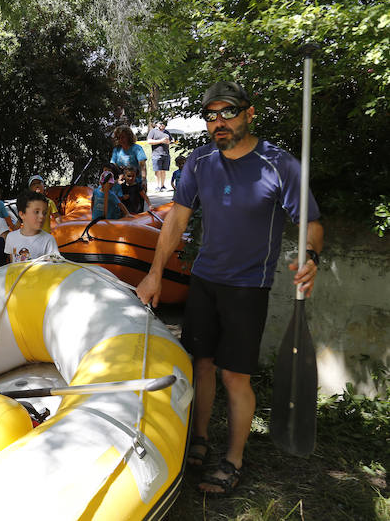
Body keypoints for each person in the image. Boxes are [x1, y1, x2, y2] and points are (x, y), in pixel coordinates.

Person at [135, 81, 324, 496]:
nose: (218, 122)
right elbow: (176, 220)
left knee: (235, 376)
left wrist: (310, 256)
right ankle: (198, 439)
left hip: (247, 286)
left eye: (228, 112)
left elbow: (309, 221)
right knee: (200, 363)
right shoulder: (200, 162)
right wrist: (154, 272)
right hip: (203, 280)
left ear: (249, 113)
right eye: (211, 115)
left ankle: (233, 459)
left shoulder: (278, 164)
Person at [5, 191, 60, 262]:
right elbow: (12, 263)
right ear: (22, 214)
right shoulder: (11, 237)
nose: (42, 216)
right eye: (36, 212)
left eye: (44, 213)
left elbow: (54, 266)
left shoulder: (49, 240)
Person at [111, 125, 148, 189]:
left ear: (129, 137)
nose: (120, 140)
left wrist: (144, 180)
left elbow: (143, 166)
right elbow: (113, 166)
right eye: (118, 137)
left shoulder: (137, 149)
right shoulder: (116, 150)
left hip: (136, 183)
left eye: (123, 137)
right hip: (121, 184)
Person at [147, 120, 172, 191]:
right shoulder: (153, 131)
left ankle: (162, 185)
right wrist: (161, 141)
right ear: (157, 124)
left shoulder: (167, 132)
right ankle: (157, 186)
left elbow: (170, 141)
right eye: (160, 123)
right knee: (157, 171)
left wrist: (168, 142)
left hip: (166, 154)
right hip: (156, 154)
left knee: (164, 171)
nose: (162, 125)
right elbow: (149, 141)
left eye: (163, 123)